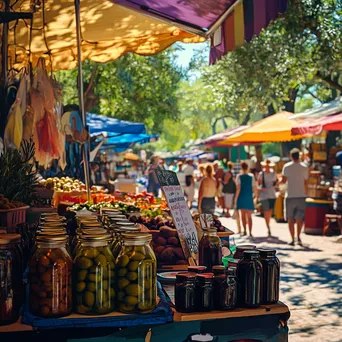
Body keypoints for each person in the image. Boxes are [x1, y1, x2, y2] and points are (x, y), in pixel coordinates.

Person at [281, 148, 308, 246]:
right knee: (299, 218)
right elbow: (306, 182)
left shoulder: (287, 167)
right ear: (299, 156)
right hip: (301, 195)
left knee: (290, 218)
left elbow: (283, 181)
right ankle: (298, 237)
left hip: (290, 195)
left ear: (291, 156)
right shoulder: (304, 167)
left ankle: (292, 239)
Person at [234, 161, 258, 237]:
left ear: (241, 167)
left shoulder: (239, 176)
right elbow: (254, 188)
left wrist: (235, 199)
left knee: (243, 215)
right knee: (250, 216)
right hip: (249, 197)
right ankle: (250, 231)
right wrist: (256, 197)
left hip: (241, 197)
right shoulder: (251, 176)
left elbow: (238, 189)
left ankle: (244, 230)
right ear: (248, 167)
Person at [258, 159, 278, 236]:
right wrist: (261, 189)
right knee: (266, 212)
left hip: (272, 195)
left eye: (268, 166)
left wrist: (275, 184)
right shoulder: (261, 174)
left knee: (270, 211)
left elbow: (276, 182)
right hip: (264, 196)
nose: (267, 167)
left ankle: (268, 224)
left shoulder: (273, 173)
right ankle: (268, 227)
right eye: (266, 166)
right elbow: (258, 185)